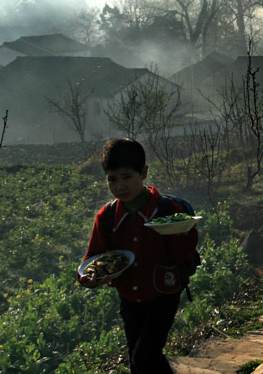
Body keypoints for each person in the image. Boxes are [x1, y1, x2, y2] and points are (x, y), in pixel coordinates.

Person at [78, 138, 198, 374]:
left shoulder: (167, 211)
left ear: (144, 173)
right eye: (112, 179)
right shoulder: (108, 216)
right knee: (139, 361)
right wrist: (87, 277)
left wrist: (182, 232)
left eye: (127, 177)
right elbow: (94, 258)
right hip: (129, 298)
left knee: (145, 356)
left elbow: (182, 253)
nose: (119, 186)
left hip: (163, 293)